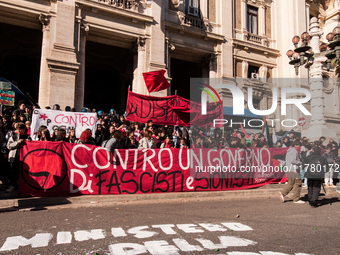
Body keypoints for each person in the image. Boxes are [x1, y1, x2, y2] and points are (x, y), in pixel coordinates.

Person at [6, 122, 30, 192]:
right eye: (19, 129)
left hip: (24, 158)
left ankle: (20, 186)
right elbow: (9, 146)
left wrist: (28, 142)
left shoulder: (27, 136)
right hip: (14, 156)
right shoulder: (13, 135)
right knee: (13, 171)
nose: (20, 131)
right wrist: (18, 142)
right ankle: (12, 186)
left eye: (22, 129)